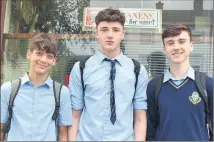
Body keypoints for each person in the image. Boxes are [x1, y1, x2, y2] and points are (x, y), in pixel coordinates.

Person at [68, 8, 148, 141]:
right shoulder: (81, 68)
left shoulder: (137, 70)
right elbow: (75, 115)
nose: (110, 35)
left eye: (115, 30)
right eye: (104, 29)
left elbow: (140, 117)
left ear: (123, 34)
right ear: (97, 33)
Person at [146, 23, 213, 141]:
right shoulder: (154, 86)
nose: (176, 47)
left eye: (181, 41)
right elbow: (150, 130)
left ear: (191, 45)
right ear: (164, 48)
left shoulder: (207, 85)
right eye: (170, 43)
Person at [0, 33, 72, 141]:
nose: (43, 60)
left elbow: (63, 134)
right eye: (39, 53)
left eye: (49, 56)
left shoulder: (62, 93)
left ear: (54, 61)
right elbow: (1, 130)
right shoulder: (8, 90)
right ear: (29, 54)